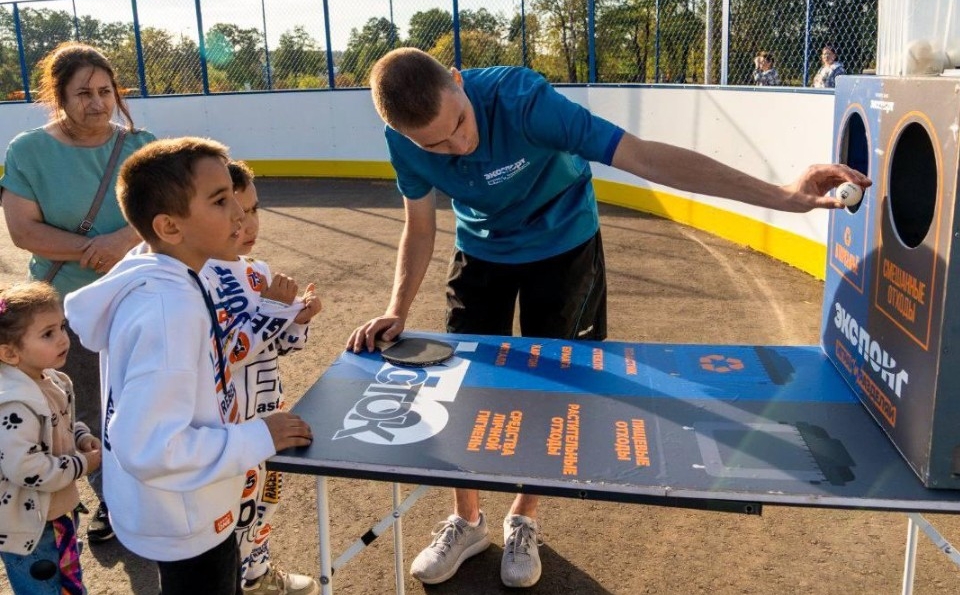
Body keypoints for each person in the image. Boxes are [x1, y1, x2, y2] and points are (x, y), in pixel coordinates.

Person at [346, 47, 870, 588]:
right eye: (436, 143)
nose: (459, 145)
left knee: (555, 385)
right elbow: (421, 226)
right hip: (482, 250)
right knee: (466, 386)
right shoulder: (403, 143)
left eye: (459, 122)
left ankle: (524, 516)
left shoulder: (526, 102)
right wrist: (396, 310)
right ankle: (468, 520)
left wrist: (782, 195)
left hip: (563, 243)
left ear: (458, 81)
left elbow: (644, 157)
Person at [62, 137, 314, 595]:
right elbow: (151, 446)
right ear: (169, 227)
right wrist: (260, 434)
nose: (239, 214)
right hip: (186, 517)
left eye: (236, 198)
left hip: (182, 505)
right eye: (220, 200)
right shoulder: (168, 311)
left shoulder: (163, 274)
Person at [0, 42, 156, 543]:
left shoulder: (141, 144)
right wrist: (92, 248)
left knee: (146, 400)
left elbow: (164, 213)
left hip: (140, 298)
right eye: (83, 93)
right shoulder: (28, 150)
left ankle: (149, 493)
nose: (97, 102)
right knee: (85, 406)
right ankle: (113, 502)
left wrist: (118, 242)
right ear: (59, 97)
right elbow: (24, 230)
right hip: (65, 308)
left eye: (105, 91)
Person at [204, 160, 322, 595]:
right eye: (236, 213)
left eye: (254, 210)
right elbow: (221, 357)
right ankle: (233, 580)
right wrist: (270, 310)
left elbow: (282, 347)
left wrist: (298, 320)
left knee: (264, 503)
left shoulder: (258, 271)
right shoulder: (198, 279)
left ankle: (257, 572)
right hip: (229, 431)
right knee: (228, 516)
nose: (247, 223)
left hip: (269, 417)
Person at [0, 281, 101, 595]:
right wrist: (83, 464)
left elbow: (62, 426)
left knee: (67, 582)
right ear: (10, 353)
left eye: (61, 327)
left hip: (55, 513)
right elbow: (27, 469)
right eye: (48, 334)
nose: (63, 339)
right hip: (30, 526)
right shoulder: (14, 404)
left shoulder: (53, 379)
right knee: (45, 588)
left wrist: (81, 437)